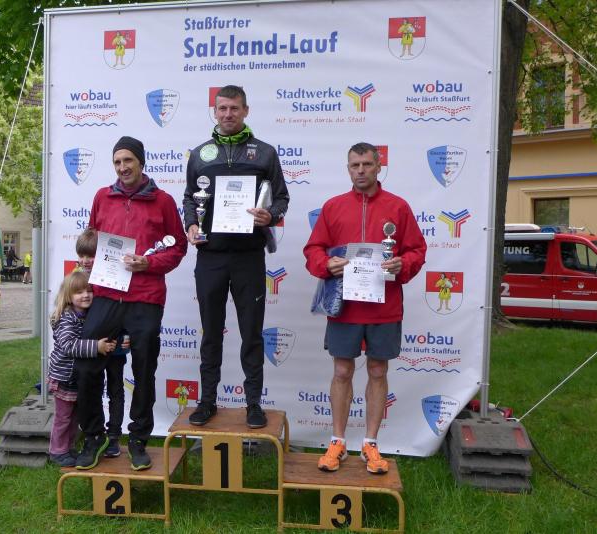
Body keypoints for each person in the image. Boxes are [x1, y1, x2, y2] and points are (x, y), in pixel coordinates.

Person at [303, 143, 426, 473]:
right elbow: (313, 249)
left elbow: (416, 250)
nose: (361, 170)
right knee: (342, 371)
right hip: (345, 305)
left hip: (384, 306)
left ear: (378, 166)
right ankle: (338, 441)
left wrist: (403, 264)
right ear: (348, 168)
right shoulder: (333, 207)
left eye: (367, 164)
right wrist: (326, 263)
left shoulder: (398, 207)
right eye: (354, 165)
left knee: (378, 371)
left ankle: (370, 443)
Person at [182, 85, 290, 429]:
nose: (228, 114)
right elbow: (189, 197)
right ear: (215, 112)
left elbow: (282, 198)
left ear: (246, 111)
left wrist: (270, 215)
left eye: (234, 108)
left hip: (248, 257)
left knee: (251, 334)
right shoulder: (200, 155)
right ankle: (207, 401)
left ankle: (253, 404)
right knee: (211, 334)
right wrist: (190, 224)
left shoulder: (265, 153)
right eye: (222, 108)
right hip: (210, 256)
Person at [78, 136, 187, 471]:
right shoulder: (102, 196)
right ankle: (93, 436)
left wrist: (149, 263)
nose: (122, 167)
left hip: (145, 296)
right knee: (87, 363)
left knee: (144, 369)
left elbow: (178, 247)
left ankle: (138, 439)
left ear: (141, 162)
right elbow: (93, 237)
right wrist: (90, 258)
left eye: (128, 160)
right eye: (117, 162)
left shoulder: (163, 201)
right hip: (107, 293)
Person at [48, 271, 118, 467]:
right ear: (68, 296)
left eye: (89, 291)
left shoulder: (88, 315)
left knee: (74, 418)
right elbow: (69, 345)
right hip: (64, 377)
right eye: (79, 292)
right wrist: (96, 347)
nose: (85, 295)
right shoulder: (66, 317)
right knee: (63, 418)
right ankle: (57, 451)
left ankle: (68, 448)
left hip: (76, 378)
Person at [74, 228, 129, 458]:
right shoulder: (77, 280)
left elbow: (125, 309)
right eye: (82, 255)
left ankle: (114, 435)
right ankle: (95, 435)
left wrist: (127, 335)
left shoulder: (115, 277)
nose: (86, 261)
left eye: (91, 255)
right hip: (91, 348)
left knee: (115, 389)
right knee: (92, 388)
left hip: (115, 346)